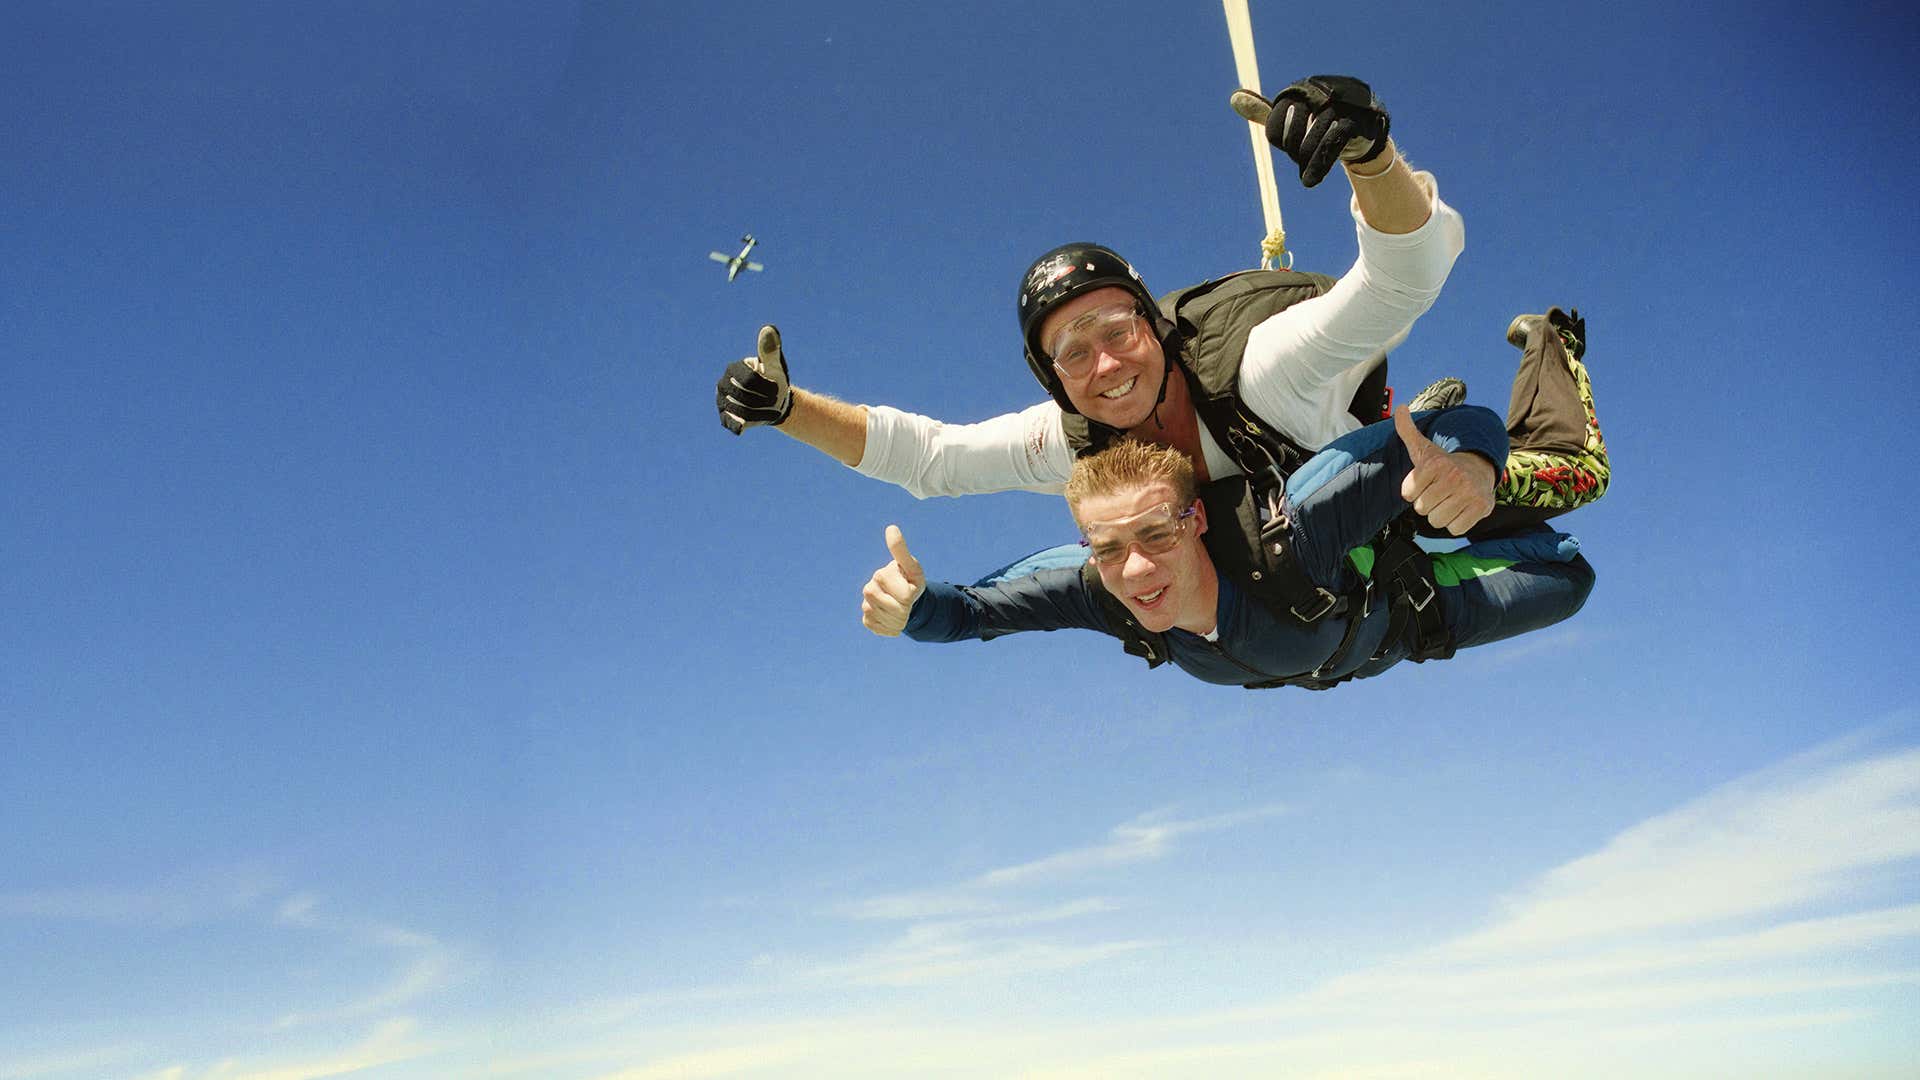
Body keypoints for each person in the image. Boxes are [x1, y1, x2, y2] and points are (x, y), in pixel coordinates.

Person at [716, 75, 1466, 502]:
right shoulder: (1073, 438)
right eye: (1073, 353)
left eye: (1117, 330)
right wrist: (786, 409)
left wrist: (1370, 157)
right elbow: (932, 457)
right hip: (1284, 590)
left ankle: (1442, 423)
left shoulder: (1266, 366)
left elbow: (1402, 284)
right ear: (1054, 382)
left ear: (1157, 328)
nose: (1105, 365)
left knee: (1497, 488)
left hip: (1379, 498)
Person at [859, 407, 1594, 690]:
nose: (1135, 568)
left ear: (1198, 522)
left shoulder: (1295, 529)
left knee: (1572, 556)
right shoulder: (1099, 589)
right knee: (1576, 584)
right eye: (1107, 547)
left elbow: (1458, 424)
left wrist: (1472, 465)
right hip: (1395, 641)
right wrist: (909, 609)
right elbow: (968, 613)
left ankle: (1551, 345)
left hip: (1416, 601)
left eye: (1157, 533)